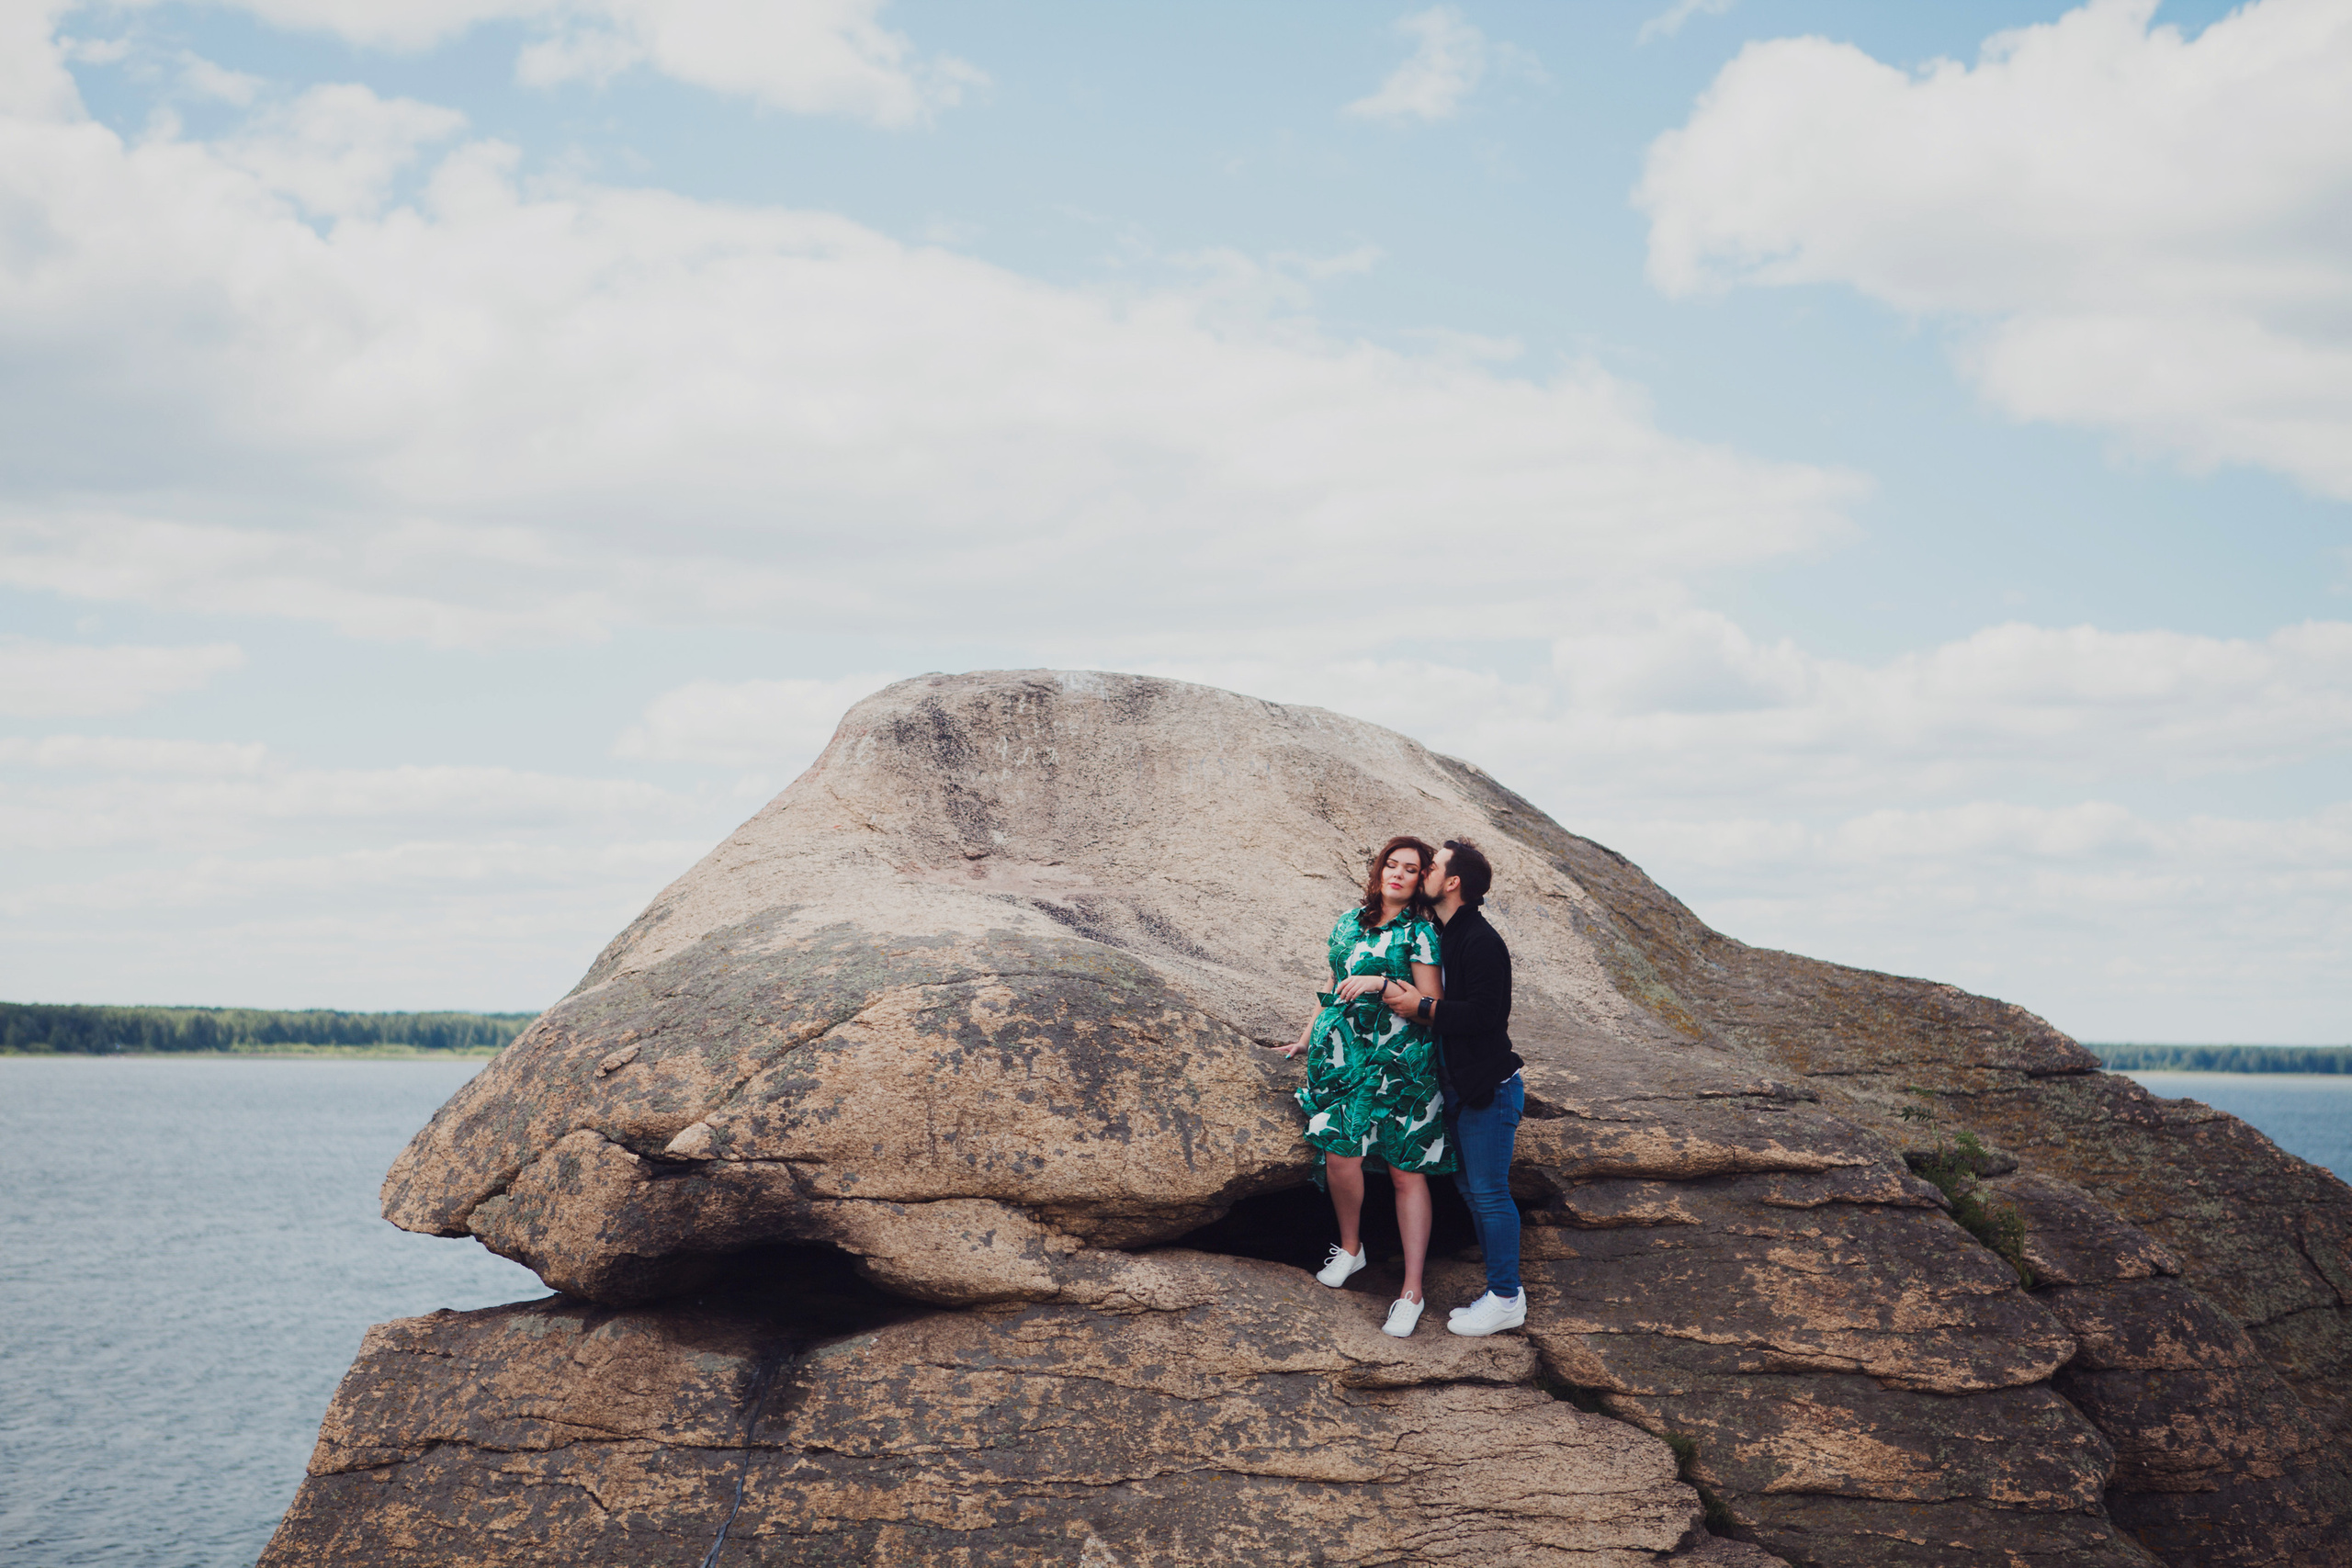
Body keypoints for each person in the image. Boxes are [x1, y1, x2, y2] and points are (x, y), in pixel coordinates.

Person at [1273, 835, 1455, 1338]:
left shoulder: (1421, 932)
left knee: (1405, 1173)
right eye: (1390, 865)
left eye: (1410, 869)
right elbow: (1331, 987)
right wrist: (1306, 1040)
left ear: (1422, 880)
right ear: (1379, 871)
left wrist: (1380, 983)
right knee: (1340, 1153)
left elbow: (1432, 1001)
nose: (1397, 874)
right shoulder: (1347, 923)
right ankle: (1351, 1249)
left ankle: (1411, 1290)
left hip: (1404, 1064)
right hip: (1346, 1058)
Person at [1381, 839, 1525, 1337]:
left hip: (1490, 1089)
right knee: (1471, 1188)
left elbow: (1488, 1015)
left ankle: (1507, 1297)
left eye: (1432, 867)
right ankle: (1502, 1292)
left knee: (1489, 1194)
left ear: (1454, 881)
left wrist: (1422, 1009)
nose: (1422, 874)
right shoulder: (1446, 931)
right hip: (1462, 1091)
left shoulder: (1480, 940)